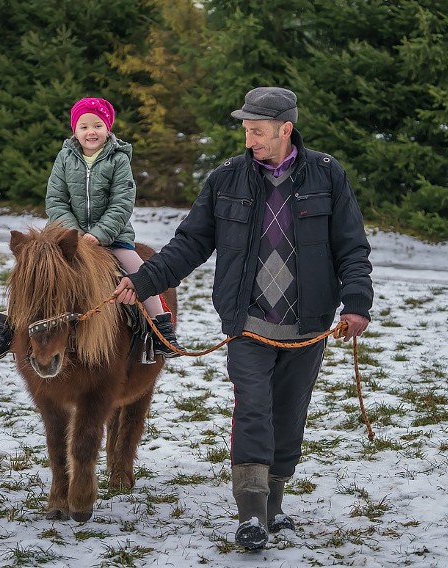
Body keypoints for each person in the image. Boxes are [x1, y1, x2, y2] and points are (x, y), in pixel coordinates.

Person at [112, 87, 374, 549]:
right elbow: (190, 242)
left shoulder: (327, 176)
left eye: (258, 131)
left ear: (285, 129)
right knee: (253, 408)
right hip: (247, 321)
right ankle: (250, 514)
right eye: (246, 130)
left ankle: (275, 507)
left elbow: (351, 247)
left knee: (289, 413)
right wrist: (145, 281)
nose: (249, 139)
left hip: (307, 323)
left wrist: (356, 302)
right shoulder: (227, 178)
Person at [0, 97, 182, 360]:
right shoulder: (64, 158)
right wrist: (72, 233)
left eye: (97, 125)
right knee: (30, 276)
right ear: (75, 130)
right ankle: (6, 330)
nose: (91, 132)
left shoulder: (119, 160)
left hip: (112, 238)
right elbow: (55, 199)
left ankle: (161, 330)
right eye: (84, 126)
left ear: (107, 128)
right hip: (66, 239)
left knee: (140, 272)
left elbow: (122, 202)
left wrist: (98, 234)